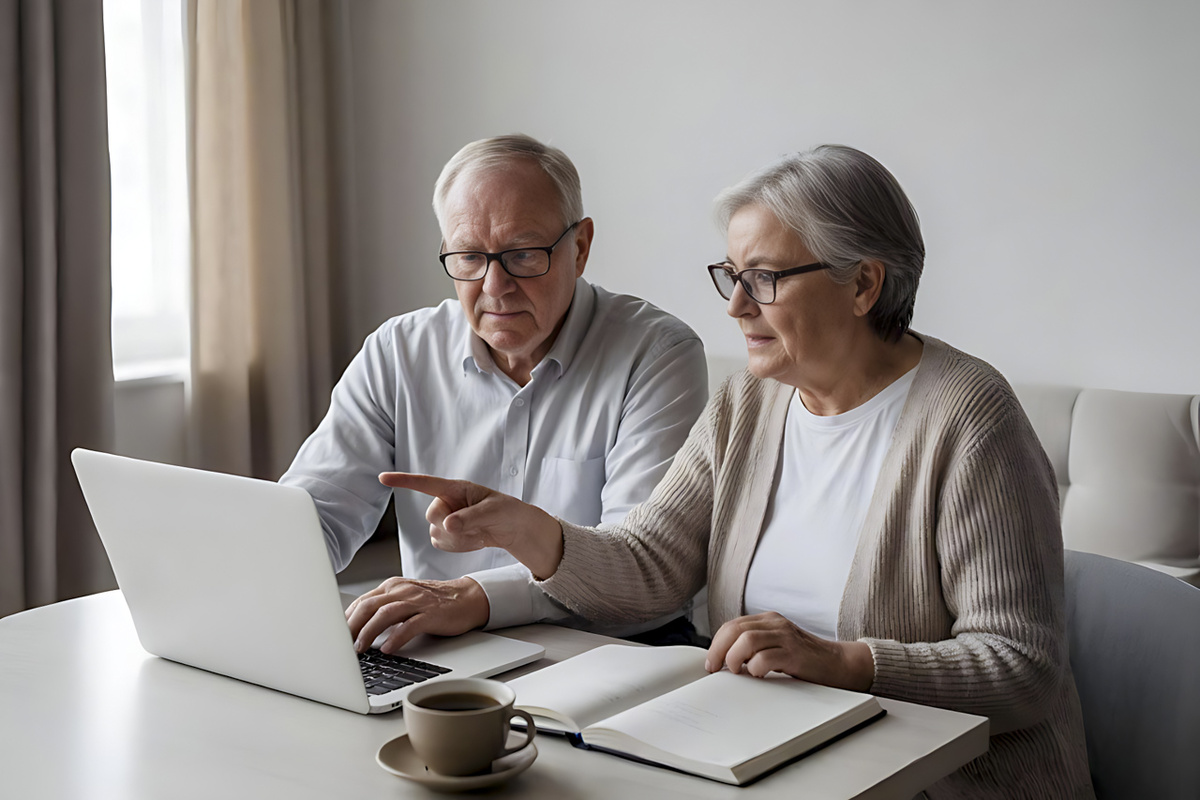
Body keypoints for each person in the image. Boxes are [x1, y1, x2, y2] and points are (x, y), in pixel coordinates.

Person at [366, 145, 1096, 797]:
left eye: (766, 279)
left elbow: (1020, 666)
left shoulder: (970, 418)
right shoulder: (751, 400)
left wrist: (848, 663)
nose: (737, 307)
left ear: (864, 285)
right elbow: (652, 563)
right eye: (731, 276)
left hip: (936, 779)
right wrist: (533, 532)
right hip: (771, 760)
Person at [281, 134, 708, 647]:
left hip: (616, 645)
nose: (494, 286)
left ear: (580, 247)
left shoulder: (656, 353)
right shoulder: (399, 351)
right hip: (444, 646)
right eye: (468, 257)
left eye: (523, 255)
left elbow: (638, 565)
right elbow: (315, 516)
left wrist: (475, 597)